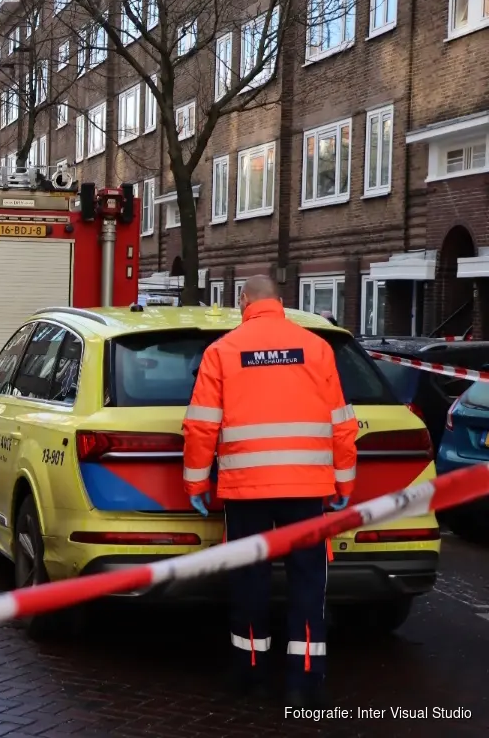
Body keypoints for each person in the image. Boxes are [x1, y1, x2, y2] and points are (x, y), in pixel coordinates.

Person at [181, 275, 357, 708]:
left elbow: (201, 426)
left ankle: (250, 673)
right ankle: (305, 680)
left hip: (246, 489)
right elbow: (341, 422)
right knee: (308, 581)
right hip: (307, 488)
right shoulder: (317, 348)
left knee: (249, 580)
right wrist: (344, 481)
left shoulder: (222, 351)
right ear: (281, 300)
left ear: (244, 300)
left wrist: (197, 482)